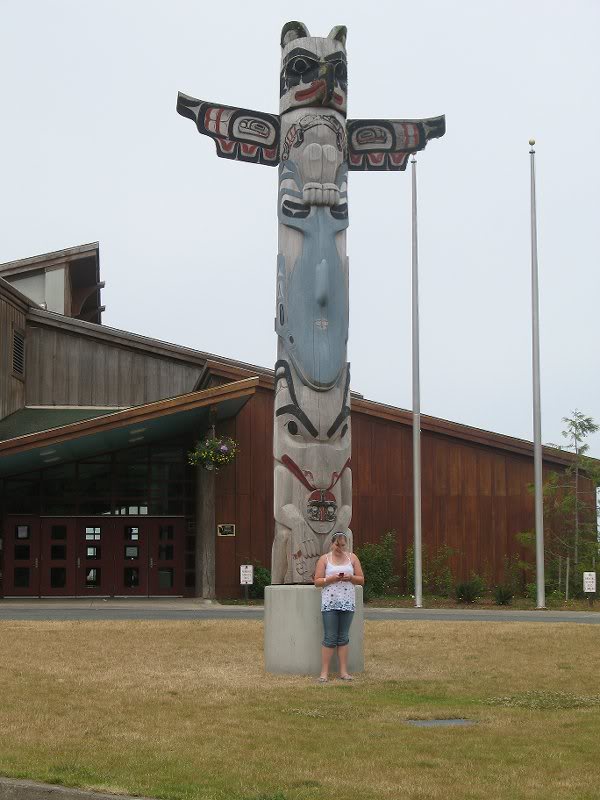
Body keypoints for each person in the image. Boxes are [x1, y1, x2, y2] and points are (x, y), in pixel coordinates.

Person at [313, 531, 364, 682]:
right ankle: (324, 673)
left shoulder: (352, 558)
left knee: (343, 637)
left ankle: (343, 672)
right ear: (332, 543)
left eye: (342, 545)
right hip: (330, 602)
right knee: (330, 637)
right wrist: (331, 578)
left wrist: (351, 577)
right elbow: (317, 581)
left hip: (347, 601)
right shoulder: (325, 559)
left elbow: (361, 579)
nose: (340, 548)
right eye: (337, 544)